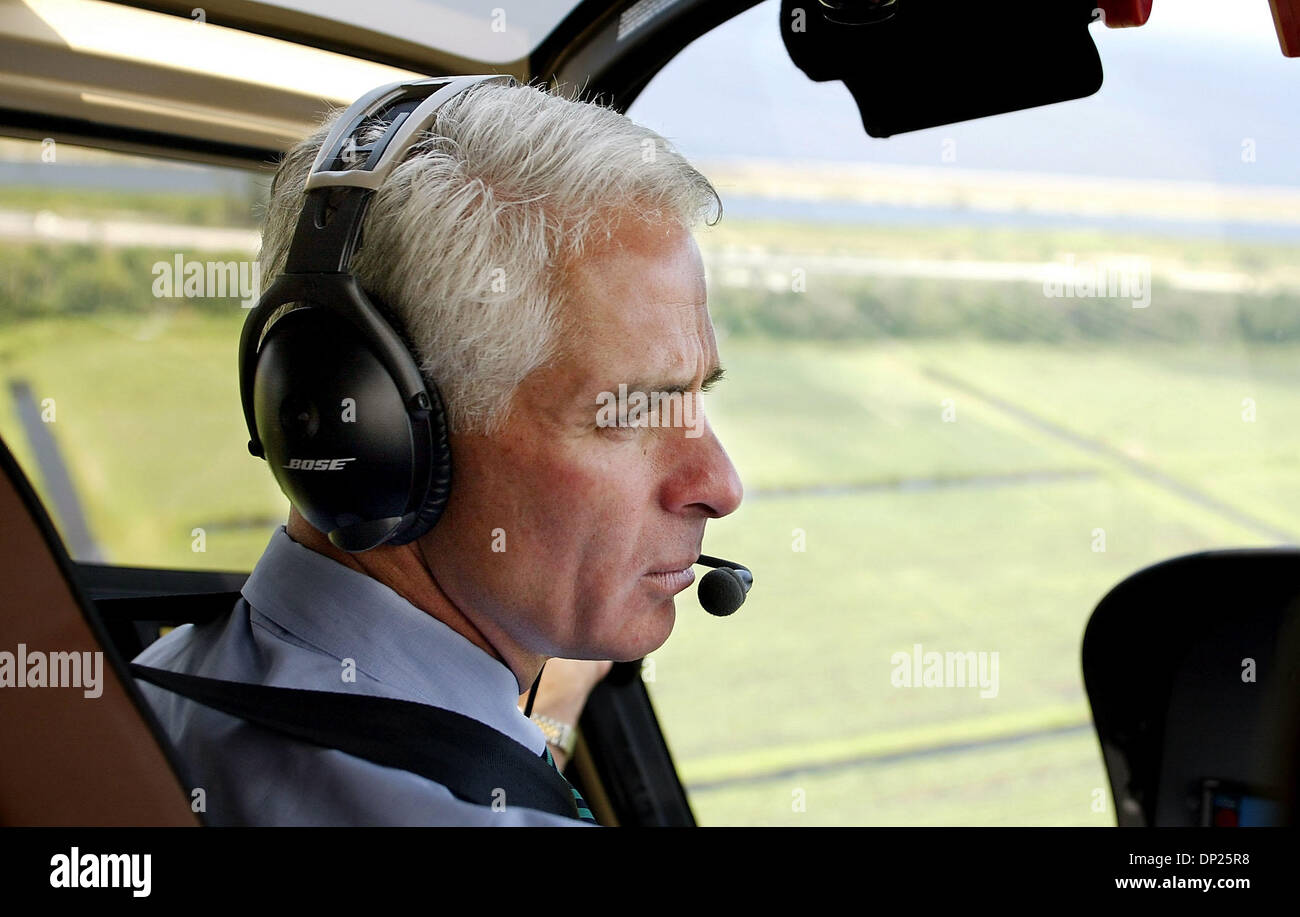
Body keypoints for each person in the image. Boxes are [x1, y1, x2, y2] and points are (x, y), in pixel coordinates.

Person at [132, 79, 744, 826]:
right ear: (381, 437)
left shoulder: (151, 691)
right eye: (633, 408)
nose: (719, 483)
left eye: (697, 395)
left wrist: (532, 729)